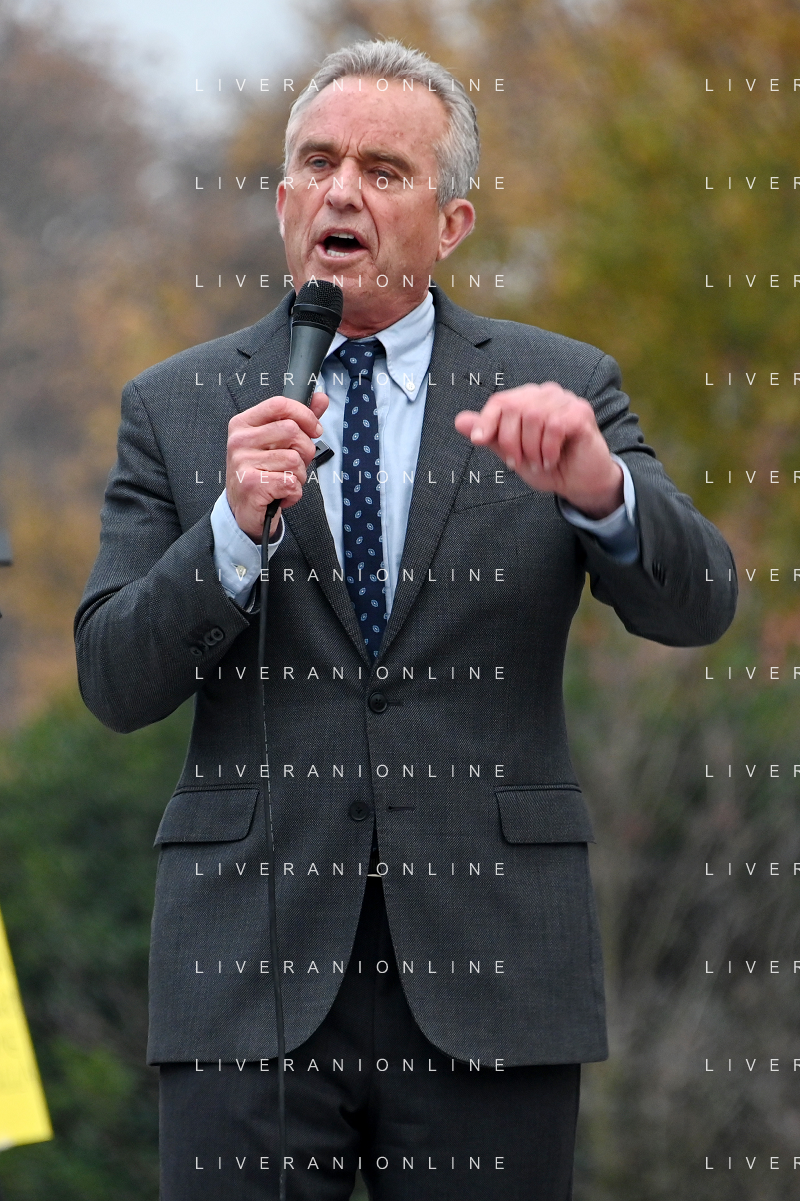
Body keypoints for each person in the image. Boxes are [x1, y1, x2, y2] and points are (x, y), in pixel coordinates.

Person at [74, 38, 737, 1201]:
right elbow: (114, 681)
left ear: (452, 223)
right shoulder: (176, 405)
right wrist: (227, 531)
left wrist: (600, 492)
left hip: (494, 963)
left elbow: (700, 603)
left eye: (383, 172)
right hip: (248, 971)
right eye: (317, 163)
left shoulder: (559, 387)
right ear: (282, 201)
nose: (342, 191)